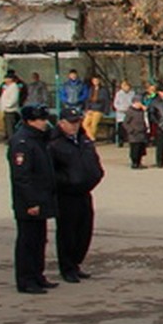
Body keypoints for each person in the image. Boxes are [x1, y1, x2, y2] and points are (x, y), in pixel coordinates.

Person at [7, 103, 59, 294]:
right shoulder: (22, 142)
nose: (44, 123)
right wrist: (31, 202)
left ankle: (37, 275)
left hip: (42, 197)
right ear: (29, 121)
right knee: (28, 242)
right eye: (41, 119)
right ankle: (26, 279)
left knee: (39, 240)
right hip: (29, 201)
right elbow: (22, 177)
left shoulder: (38, 139)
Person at [50, 105, 104, 282]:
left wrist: (95, 176)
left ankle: (76, 263)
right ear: (61, 123)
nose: (75, 126)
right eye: (71, 123)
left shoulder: (84, 140)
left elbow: (94, 163)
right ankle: (67, 267)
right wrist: (67, 181)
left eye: (77, 122)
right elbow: (51, 171)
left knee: (84, 231)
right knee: (67, 233)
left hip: (84, 192)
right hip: (66, 195)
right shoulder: (54, 144)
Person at [122, 93, 150, 170]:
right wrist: (131, 130)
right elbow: (125, 123)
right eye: (139, 103)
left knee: (141, 149)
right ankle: (134, 162)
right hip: (134, 133)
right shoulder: (130, 111)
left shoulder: (141, 111)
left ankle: (139, 162)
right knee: (135, 149)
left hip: (142, 132)